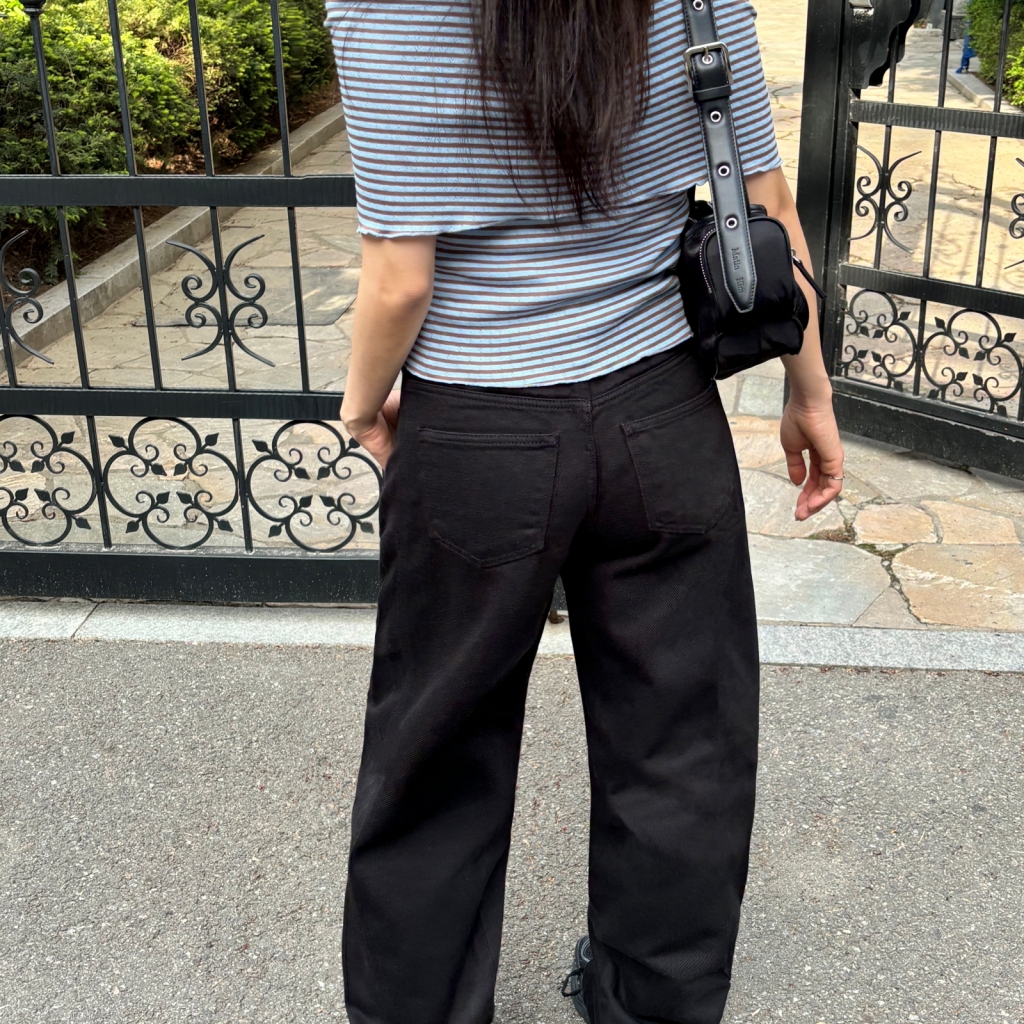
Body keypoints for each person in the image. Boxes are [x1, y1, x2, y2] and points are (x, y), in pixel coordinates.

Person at [324, 1, 845, 1022]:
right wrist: (810, 389)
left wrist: (360, 404)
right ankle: (653, 1002)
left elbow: (398, 279)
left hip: (479, 428)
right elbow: (766, 204)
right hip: (661, 415)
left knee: (436, 753)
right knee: (679, 738)